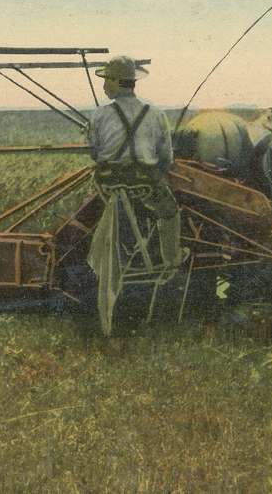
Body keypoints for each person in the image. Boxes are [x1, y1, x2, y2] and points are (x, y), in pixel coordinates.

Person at [85, 56, 184, 335]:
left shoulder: (100, 115)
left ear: (118, 82)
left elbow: (94, 152)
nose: (104, 86)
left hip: (108, 188)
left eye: (107, 80)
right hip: (145, 188)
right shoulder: (156, 114)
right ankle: (170, 259)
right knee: (170, 211)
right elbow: (166, 158)